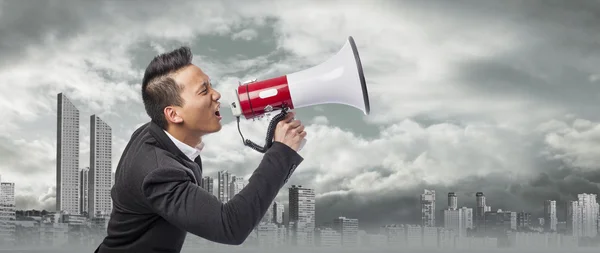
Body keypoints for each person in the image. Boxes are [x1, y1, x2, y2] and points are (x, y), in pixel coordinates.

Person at [94, 46, 306, 253]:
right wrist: (281, 153)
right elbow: (230, 226)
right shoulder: (158, 172)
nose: (217, 94)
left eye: (211, 85)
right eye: (204, 90)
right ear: (173, 115)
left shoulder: (157, 132)